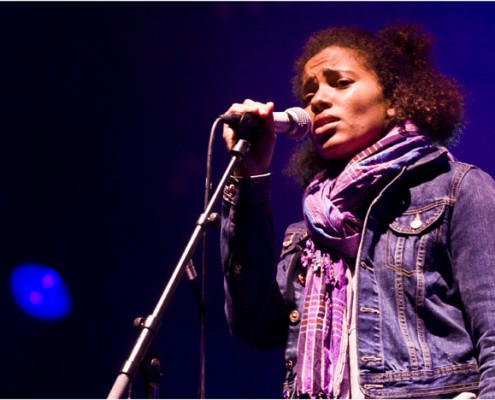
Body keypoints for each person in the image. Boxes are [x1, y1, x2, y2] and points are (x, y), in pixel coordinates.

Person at [220, 23, 495, 399]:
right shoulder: (304, 235)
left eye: (340, 82)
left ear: (395, 100)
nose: (316, 100)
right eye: (310, 92)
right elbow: (253, 328)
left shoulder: (457, 189)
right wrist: (250, 179)